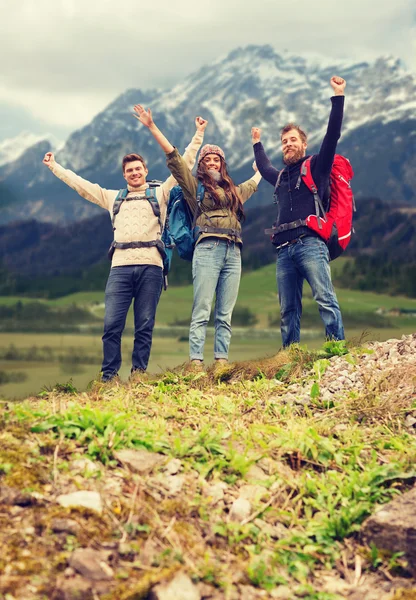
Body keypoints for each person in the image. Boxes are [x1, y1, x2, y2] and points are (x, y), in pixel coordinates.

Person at [42, 117, 207, 382]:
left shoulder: (161, 193)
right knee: (111, 325)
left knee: (144, 325)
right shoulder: (112, 198)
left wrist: (198, 133)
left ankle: (138, 374)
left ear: (145, 170)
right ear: (124, 175)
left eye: (138, 169)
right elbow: (81, 186)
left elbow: (183, 163)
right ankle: (109, 377)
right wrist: (54, 167)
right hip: (119, 267)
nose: (134, 173)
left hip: (152, 266)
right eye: (129, 170)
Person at [133, 104, 262, 370]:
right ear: (201, 164)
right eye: (208, 159)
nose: (212, 162)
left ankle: (222, 362)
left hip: (233, 250)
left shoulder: (235, 193)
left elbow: (254, 183)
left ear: (222, 164)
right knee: (202, 309)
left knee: (225, 312)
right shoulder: (194, 188)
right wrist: (152, 126)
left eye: (217, 159)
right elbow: (175, 159)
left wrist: (260, 166)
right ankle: (195, 363)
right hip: (207, 249)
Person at [251, 76, 346, 347]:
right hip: (284, 252)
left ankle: (337, 352)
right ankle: (289, 355)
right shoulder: (280, 178)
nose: (288, 144)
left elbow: (332, 136)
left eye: (293, 140)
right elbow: (264, 165)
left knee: (325, 299)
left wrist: (338, 96)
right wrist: (257, 142)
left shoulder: (317, 166)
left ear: (304, 145)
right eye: (284, 141)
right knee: (287, 311)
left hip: (311, 245)